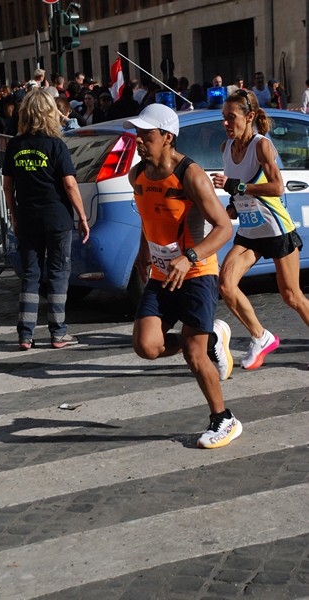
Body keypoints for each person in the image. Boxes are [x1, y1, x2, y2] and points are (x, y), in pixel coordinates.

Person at [123, 103, 241, 450]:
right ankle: (214, 338)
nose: (139, 140)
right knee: (146, 346)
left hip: (197, 271)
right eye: (138, 134)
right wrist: (145, 252)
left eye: (146, 134)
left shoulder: (191, 175)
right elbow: (148, 218)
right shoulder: (137, 175)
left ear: (167, 137)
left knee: (193, 353)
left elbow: (222, 229)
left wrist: (189, 258)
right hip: (162, 273)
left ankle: (224, 419)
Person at [211, 90, 309, 369]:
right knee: (226, 284)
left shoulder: (261, 146)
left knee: (292, 296)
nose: (227, 124)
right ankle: (260, 336)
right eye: (223, 118)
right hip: (251, 232)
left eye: (232, 118)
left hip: (276, 229)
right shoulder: (225, 148)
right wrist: (233, 204)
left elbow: (277, 187)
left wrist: (237, 187)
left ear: (249, 117)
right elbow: (239, 190)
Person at [2, 89, 90, 350]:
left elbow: (8, 186)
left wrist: (14, 216)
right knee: (58, 272)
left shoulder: (15, 145)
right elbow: (70, 185)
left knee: (30, 274)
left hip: (28, 216)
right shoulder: (56, 145)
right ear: (49, 113)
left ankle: (25, 335)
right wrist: (83, 217)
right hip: (57, 218)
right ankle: (58, 332)